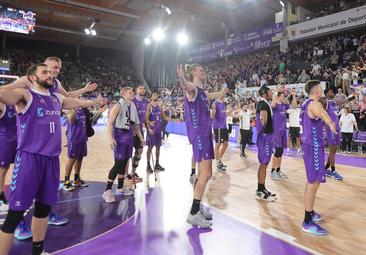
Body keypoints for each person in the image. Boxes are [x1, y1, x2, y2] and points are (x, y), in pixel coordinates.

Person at [0, 63, 107, 255]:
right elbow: (4, 95)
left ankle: (37, 251)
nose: (50, 75)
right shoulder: (25, 95)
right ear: (32, 78)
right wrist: (16, 83)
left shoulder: (57, 98)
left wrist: (95, 101)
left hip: (51, 161)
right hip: (29, 160)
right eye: (45, 72)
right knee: (15, 215)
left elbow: (77, 103)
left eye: (51, 72)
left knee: (42, 210)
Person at [177, 64, 228, 228]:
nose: (204, 72)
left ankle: (197, 208)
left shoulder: (203, 93)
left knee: (204, 173)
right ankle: (193, 213)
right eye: (201, 70)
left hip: (205, 134)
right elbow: (186, 86)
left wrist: (222, 92)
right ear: (193, 73)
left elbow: (212, 94)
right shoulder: (192, 89)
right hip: (199, 134)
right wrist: (182, 78)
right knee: (205, 173)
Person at [300, 80, 337, 236]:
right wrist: (330, 124)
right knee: (313, 182)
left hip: (310, 146)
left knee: (312, 182)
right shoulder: (314, 104)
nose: (322, 91)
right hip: (313, 147)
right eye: (320, 90)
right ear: (316, 92)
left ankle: (310, 211)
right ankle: (307, 221)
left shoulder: (305, 103)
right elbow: (321, 112)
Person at [103, 87, 145, 203]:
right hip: (120, 135)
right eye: (130, 92)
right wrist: (111, 138)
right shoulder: (118, 105)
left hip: (129, 135)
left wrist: (141, 138)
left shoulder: (132, 106)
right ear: (123, 94)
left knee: (125, 162)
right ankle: (107, 190)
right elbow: (110, 123)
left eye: (132, 92)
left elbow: (136, 125)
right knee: (118, 164)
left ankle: (120, 188)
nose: (132, 94)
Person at [62, 105, 106, 191]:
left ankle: (76, 179)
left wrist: (99, 113)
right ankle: (66, 181)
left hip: (83, 137)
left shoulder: (84, 110)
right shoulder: (70, 108)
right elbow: (71, 119)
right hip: (74, 138)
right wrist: (72, 109)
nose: (79, 99)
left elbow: (91, 122)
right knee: (72, 159)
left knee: (80, 158)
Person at [322, 88, 355, 180]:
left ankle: (325, 168)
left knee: (334, 150)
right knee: (332, 149)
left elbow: (345, 100)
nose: (333, 93)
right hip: (330, 128)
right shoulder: (325, 102)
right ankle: (333, 171)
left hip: (337, 128)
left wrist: (353, 96)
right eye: (331, 91)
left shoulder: (334, 102)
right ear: (327, 93)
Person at [255, 85, 276, 201]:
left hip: (266, 137)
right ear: (264, 93)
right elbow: (263, 119)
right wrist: (264, 123)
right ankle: (260, 190)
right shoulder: (263, 104)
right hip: (265, 137)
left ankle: (262, 188)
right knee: (263, 164)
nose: (271, 93)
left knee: (265, 164)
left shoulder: (264, 103)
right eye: (270, 91)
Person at [271, 90, 297, 180]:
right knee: (277, 152)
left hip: (283, 132)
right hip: (277, 132)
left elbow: (294, 106)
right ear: (278, 97)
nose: (283, 97)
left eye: (284, 96)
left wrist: (293, 95)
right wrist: (276, 92)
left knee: (281, 152)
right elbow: (273, 105)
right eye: (282, 96)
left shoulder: (283, 105)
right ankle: (272, 171)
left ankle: (278, 170)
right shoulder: (276, 105)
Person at [128, 85, 149, 184]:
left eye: (144, 88)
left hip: (140, 130)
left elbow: (145, 117)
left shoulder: (146, 102)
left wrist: (148, 126)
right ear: (136, 90)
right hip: (130, 131)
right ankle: (124, 175)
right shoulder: (131, 101)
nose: (143, 90)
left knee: (139, 151)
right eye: (140, 88)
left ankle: (133, 172)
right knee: (127, 153)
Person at [145, 93, 169, 173]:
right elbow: (145, 118)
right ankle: (148, 165)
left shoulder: (159, 106)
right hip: (152, 131)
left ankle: (157, 164)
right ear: (151, 97)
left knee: (158, 148)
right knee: (150, 148)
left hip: (159, 131)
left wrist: (177, 119)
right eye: (154, 95)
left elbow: (164, 117)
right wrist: (149, 124)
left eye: (156, 95)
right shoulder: (149, 106)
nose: (156, 96)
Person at [0, 103, 16, 212]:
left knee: (20, 168)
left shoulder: (17, 103)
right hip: (4, 141)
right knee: (3, 169)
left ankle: (21, 193)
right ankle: (0, 197)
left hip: (18, 140)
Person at [211, 95, 230, 171]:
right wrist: (213, 110)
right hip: (218, 127)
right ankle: (217, 163)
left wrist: (232, 110)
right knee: (218, 145)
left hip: (224, 127)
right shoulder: (215, 104)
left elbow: (225, 115)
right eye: (222, 93)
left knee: (225, 144)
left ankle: (219, 160)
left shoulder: (223, 104)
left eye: (225, 94)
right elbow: (212, 116)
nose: (224, 95)